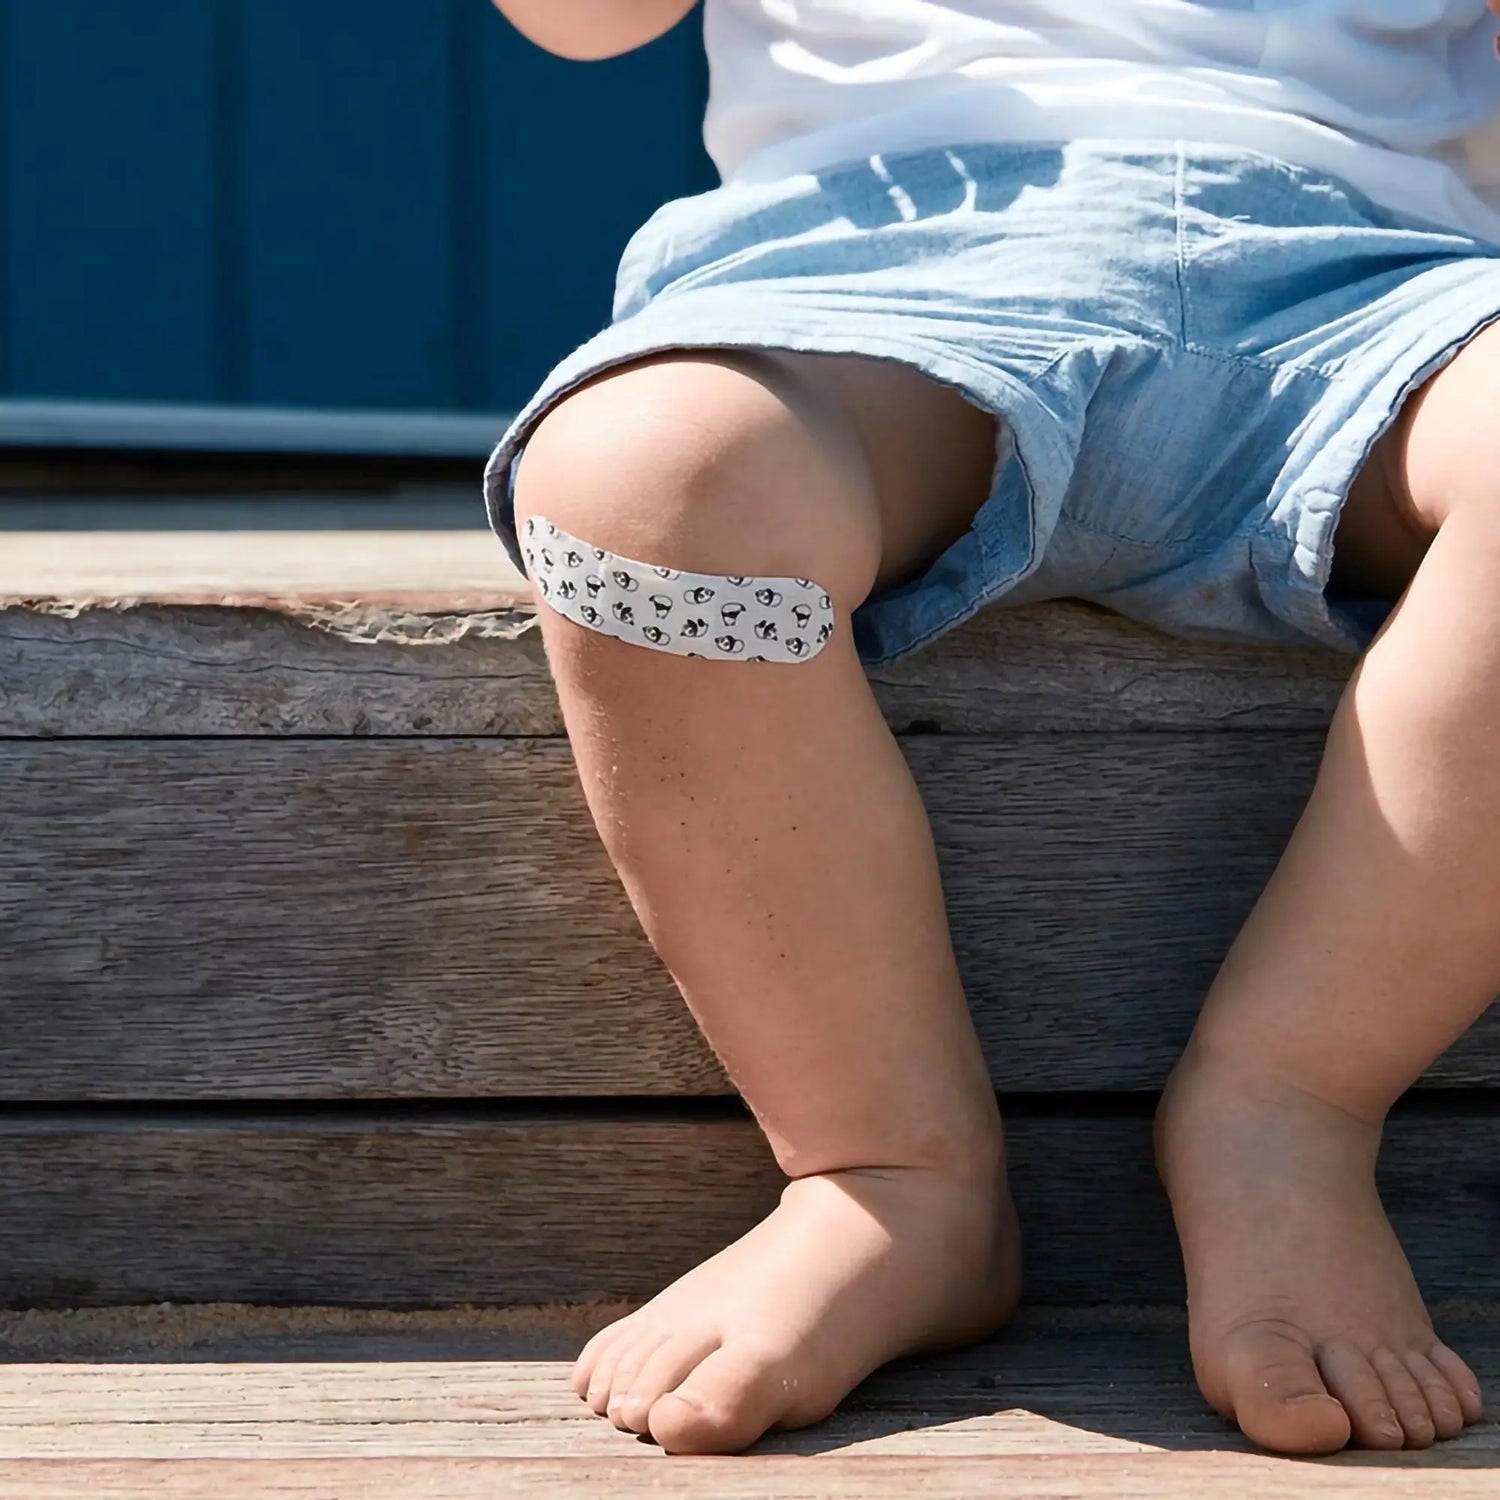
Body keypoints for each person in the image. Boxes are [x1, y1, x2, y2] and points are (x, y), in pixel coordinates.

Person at [486, 0, 1500, 1458]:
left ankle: (1290, 1107)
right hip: (863, 276)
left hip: (1374, 278)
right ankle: (887, 1169)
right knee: (646, 495)